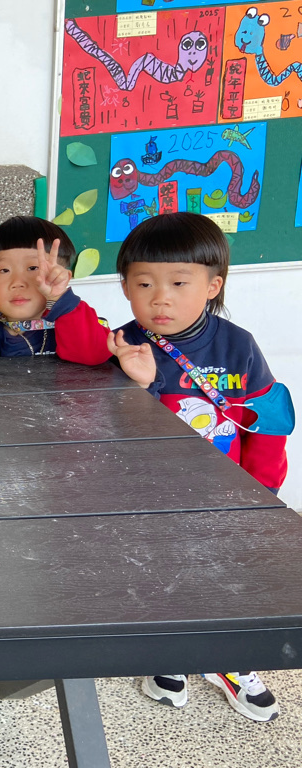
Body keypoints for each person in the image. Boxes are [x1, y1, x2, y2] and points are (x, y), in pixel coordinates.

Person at [109, 212, 293, 722]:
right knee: (165, 576)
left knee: (231, 578)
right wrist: (141, 384)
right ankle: (171, 656)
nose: (160, 298)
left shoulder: (238, 345)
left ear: (212, 286)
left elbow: (267, 421)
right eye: (144, 283)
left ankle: (231, 661)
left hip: (226, 494)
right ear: (125, 287)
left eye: (178, 283)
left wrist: (261, 494)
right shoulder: (122, 346)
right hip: (150, 496)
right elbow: (111, 433)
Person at [0, 216, 110, 362]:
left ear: (63, 278)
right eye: (4, 270)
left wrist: (60, 298)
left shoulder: (81, 323)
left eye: (33, 268)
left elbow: (95, 355)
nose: (18, 282)